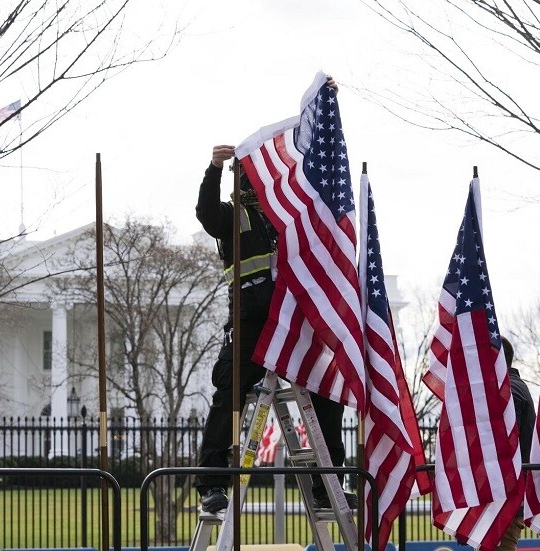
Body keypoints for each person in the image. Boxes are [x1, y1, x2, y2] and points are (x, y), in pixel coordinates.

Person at [193, 76, 353, 514]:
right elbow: (205, 211)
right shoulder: (229, 218)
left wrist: (325, 110)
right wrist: (212, 169)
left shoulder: (286, 215)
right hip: (249, 321)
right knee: (230, 397)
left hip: (293, 318)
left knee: (325, 393)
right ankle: (211, 484)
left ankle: (328, 485)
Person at [495, 336, 536, 551]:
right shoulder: (517, 387)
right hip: (511, 490)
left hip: (506, 491)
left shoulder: (508, 391)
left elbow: (504, 445)